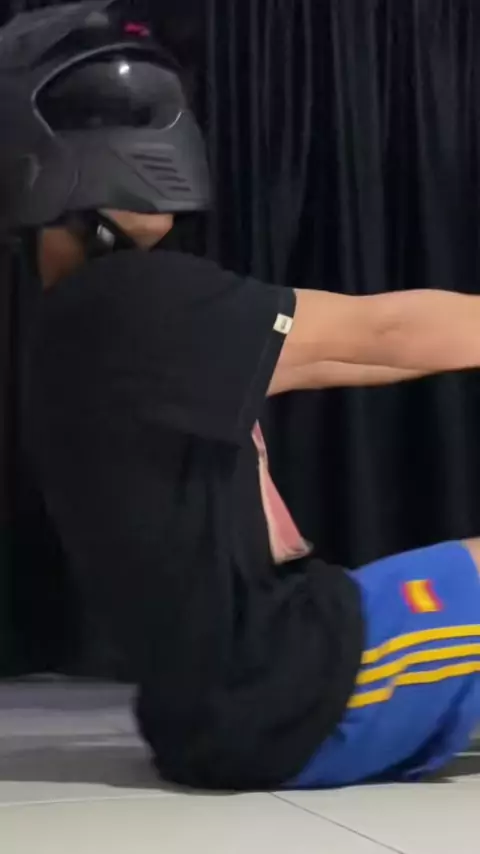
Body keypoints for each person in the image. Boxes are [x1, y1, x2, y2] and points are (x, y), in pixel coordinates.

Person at [2, 2, 480, 791]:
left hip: (222, 704)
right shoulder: (129, 304)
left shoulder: (89, 323)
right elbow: (383, 333)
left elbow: (346, 357)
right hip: (287, 698)